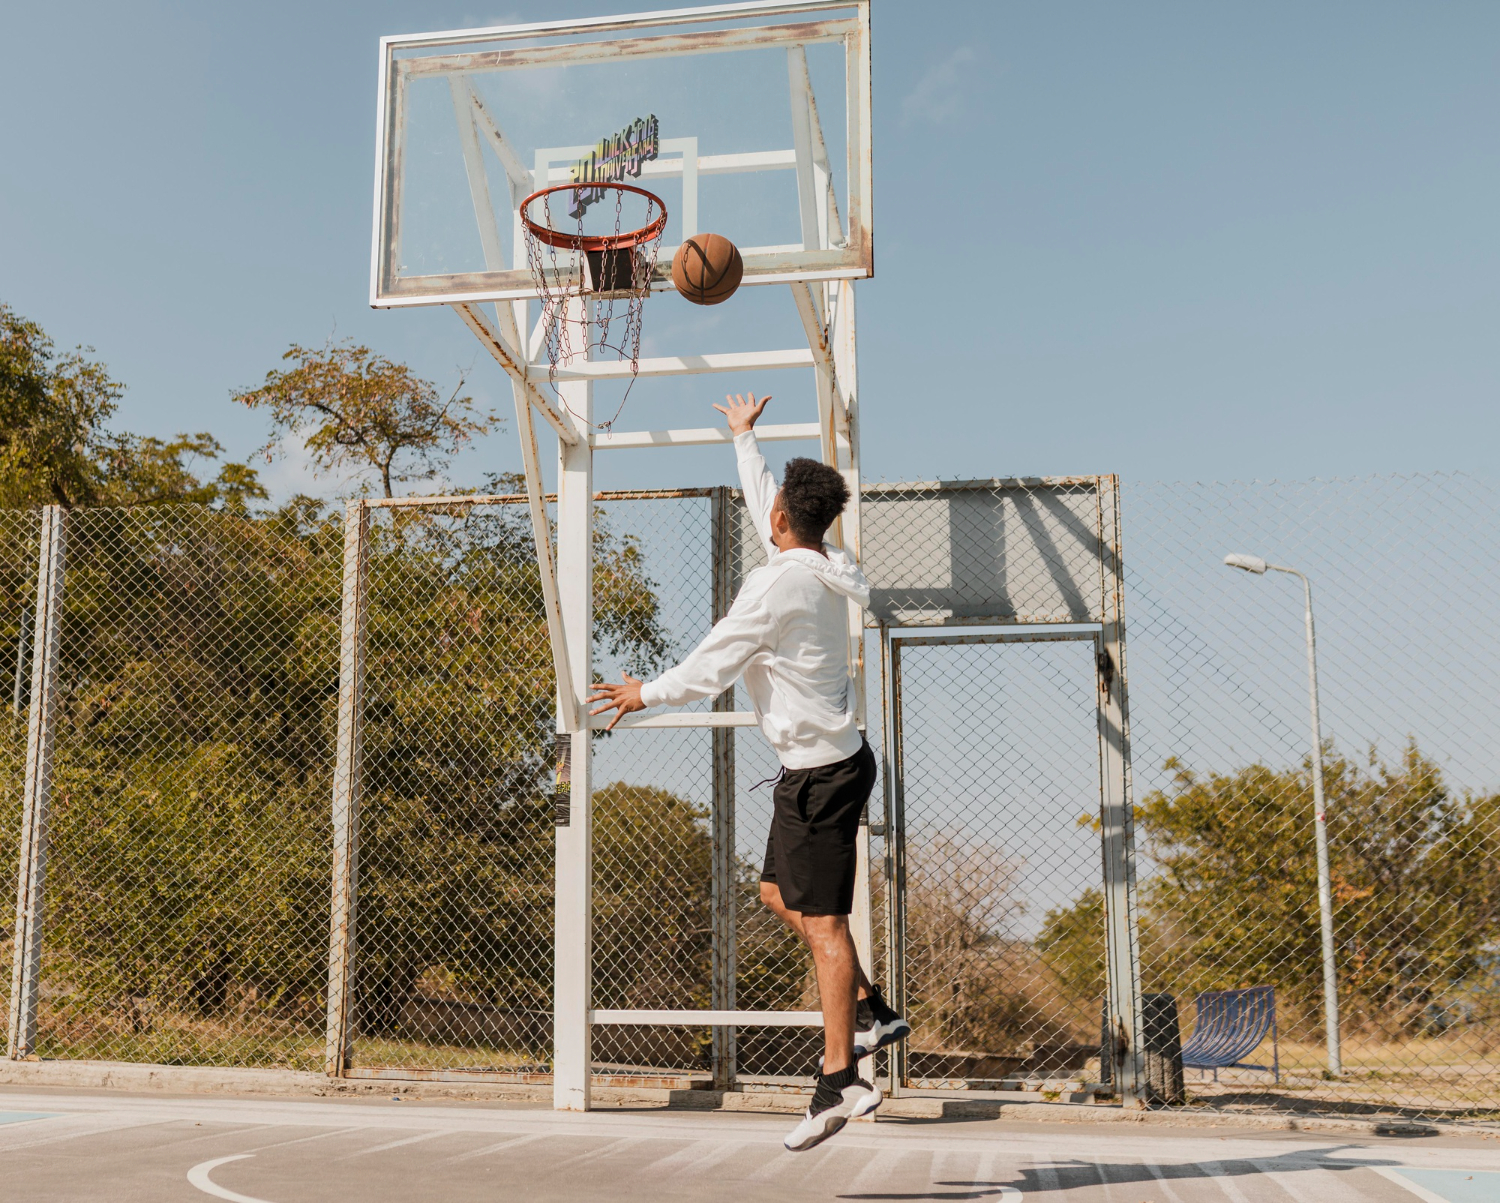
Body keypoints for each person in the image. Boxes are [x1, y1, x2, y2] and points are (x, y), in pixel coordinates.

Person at [587, 393, 910, 1152]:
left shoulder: (773, 587)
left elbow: (712, 664)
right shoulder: (831, 563)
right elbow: (771, 498)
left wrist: (645, 693)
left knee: (826, 926)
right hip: (829, 764)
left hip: (820, 776)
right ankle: (870, 1010)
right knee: (775, 893)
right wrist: (745, 437)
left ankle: (842, 1079)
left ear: (777, 525)